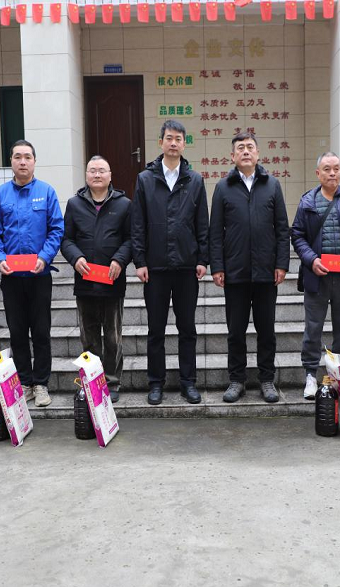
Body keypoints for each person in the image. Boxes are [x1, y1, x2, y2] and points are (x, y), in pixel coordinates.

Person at [131, 120, 209, 406]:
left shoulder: (195, 180)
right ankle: (156, 383)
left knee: (187, 329)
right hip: (155, 267)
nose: (173, 143)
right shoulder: (145, 179)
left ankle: (188, 382)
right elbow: (137, 223)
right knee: (156, 330)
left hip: (187, 267)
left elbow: (202, 223)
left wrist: (202, 259)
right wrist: (140, 260)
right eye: (169, 138)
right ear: (161, 142)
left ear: (184, 144)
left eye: (178, 139)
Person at [209, 133, 290, 404]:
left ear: (257, 154)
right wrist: (217, 266)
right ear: (232, 156)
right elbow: (215, 231)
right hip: (235, 272)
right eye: (240, 148)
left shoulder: (272, 185)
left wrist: (281, 264)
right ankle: (237, 380)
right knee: (236, 331)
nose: (245, 151)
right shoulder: (223, 187)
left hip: (266, 272)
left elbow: (282, 229)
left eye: (250, 147)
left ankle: (267, 380)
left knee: (266, 330)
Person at [0, 140, 64, 407]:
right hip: (12, 277)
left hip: (39, 275)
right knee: (17, 332)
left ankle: (41, 384)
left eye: (27, 157)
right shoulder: (0, 195)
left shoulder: (46, 192)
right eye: (17, 157)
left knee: (41, 331)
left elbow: (56, 229)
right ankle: (25, 383)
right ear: (11, 161)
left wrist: (45, 257)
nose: (22, 161)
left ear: (34, 161)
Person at [291, 152, 340, 400]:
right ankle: (310, 375)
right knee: (313, 327)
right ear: (318, 173)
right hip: (317, 277)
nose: (332, 173)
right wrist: (311, 260)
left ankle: (339, 375)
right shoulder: (307, 202)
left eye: (336, 168)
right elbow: (297, 236)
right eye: (327, 169)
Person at [61, 156, 132, 403]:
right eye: (93, 170)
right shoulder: (74, 204)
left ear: (110, 176)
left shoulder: (124, 204)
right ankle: (92, 380)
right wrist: (76, 258)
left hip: (112, 281)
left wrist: (120, 260)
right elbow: (66, 239)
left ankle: (112, 382)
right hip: (85, 283)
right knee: (89, 337)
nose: (97, 174)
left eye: (102, 170)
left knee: (113, 336)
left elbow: (131, 239)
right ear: (86, 175)